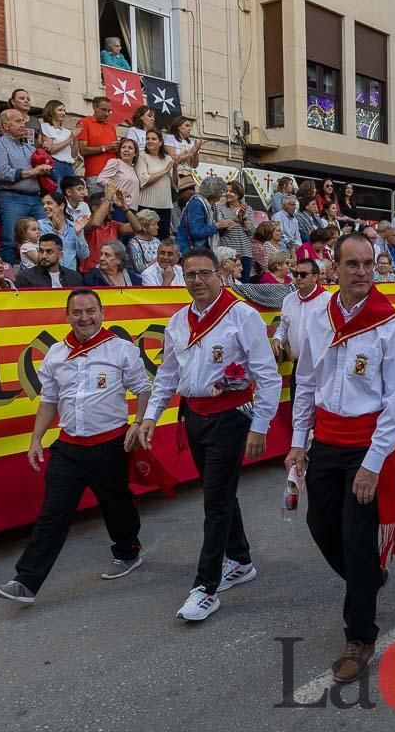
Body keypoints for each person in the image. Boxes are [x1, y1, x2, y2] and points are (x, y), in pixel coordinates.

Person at [284, 233, 395, 684]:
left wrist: (373, 464)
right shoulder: (318, 318)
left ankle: (360, 634)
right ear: (333, 268)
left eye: (368, 264)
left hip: (366, 444)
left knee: (358, 540)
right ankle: (369, 580)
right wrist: (299, 440)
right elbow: (304, 382)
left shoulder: (390, 324)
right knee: (320, 526)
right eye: (353, 264)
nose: (362, 272)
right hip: (326, 443)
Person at [137, 248, 282, 621]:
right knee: (218, 493)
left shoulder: (242, 316)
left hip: (230, 418)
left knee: (214, 502)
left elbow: (267, 375)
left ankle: (205, 587)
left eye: (204, 273)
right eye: (190, 275)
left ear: (220, 274)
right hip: (195, 417)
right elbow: (168, 373)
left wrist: (260, 425)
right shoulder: (177, 322)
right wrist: (151, 415)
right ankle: (241, 560)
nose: (198, 281)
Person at [0, 289, 152, 604]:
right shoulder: (55, 354)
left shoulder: (121, 350)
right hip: (68, 448)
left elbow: (143, 389)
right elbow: (49, 400)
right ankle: (26, 582)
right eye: (77, 312)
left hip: (110, 445)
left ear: (101, 313)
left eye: (90, 311)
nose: (84, 318)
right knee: (53, 513)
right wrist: (36, 439)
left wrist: (138, 423)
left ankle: (128, 552)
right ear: (67, 316)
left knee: (116, 505)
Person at [271, 258, 331, 361]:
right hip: (297, 363)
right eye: (295, 274)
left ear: (315, 277)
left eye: (303, 275)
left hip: (321, 362)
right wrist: (278, 338)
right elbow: (284, 326)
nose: (298, 278)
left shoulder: (328, 300)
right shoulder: (288, 299)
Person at [81, 191, 142, 272]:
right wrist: (108, 198)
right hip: (92, 272)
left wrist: (125, 208)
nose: (112, 210)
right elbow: (96, 223)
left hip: (112, 271)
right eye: (108, 207)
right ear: (95, 208)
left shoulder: (113, 225)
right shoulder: (85, 223)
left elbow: (137, 228)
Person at [75, 97, 118, 199]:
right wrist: (105, 148)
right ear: (94, 107)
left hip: (113, 175)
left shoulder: (111, 126)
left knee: (112, 210)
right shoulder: (84, 122)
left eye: (109, 111)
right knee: (97, 207)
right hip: (95, 175)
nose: (107, 113)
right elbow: (83, 150)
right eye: (104, 110)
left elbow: (114, 149)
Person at [136, 129, 176, 234]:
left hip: (165, 207)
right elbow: (143, 180)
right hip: (146, 206)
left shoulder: (167, 158)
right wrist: (165, 171)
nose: (150, 141)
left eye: (153, 139)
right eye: (147, 138)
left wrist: (175, 168)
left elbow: (176, 185)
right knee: (145, 236)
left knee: (162, 240)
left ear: (161, 142)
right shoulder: (142, 156)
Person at [37, 193, 89, 272]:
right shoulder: (40, 225)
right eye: (43, 204)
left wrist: (79, 234)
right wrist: (55, 231)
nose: (45, 207)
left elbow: (83, 256)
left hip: (69, 277)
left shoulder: (75, 227)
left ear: (61, 206)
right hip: (47, 275)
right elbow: (46, 252)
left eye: (49, 203)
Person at [217, 181, 256, 279]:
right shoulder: (219, 208)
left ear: (239, 194)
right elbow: (221, 228)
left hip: (245, 251)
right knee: (228, 281)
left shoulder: (248, 209)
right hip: (228, 253)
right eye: (226, 191)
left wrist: (244, 218)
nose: (227, 194)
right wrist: (236, 218)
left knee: (244, 283)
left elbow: (251, 232)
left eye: (231, 191)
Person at [16, 233, 83, 288]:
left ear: (60, 255)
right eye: (41, 251)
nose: (44, 256)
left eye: (49, 252)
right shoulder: (25, 277)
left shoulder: (74, 277)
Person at [176, 175, 224, 253]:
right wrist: (217, 226)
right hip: (190, 251)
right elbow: (196, 232)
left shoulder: (212, 207)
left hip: (202, 251)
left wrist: (224, 226)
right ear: (216, 194)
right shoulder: (197, 204)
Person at [39, 100, 78, 187]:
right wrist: (70, 138)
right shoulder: (46, 127)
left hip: (69, 166)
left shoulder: (67, 131)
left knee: (71, 193)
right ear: (51, 112)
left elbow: (74, 155)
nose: (63, 113)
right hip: (55, 164)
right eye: (60, 110)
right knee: (57, 193)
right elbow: (51, 150)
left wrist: (75, 138)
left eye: (64, 110)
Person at [127, 208, 161, 273]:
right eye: (153, 224)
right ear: (144, 227)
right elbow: (139, 269)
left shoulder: (157, 241)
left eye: (157, 224)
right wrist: (157, 260)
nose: (157, 227)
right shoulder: (134, 244)